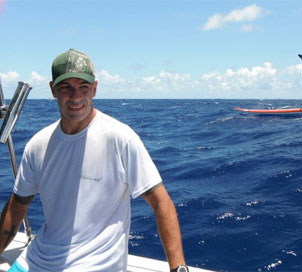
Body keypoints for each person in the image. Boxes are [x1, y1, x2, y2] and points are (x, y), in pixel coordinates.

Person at [0, 49, 188, 272]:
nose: (76, 96)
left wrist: (178, 268)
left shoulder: (121, 138)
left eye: (83, 87)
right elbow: (17, 206)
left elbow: (161, 202)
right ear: (52, 90)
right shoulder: (38, 144)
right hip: (34, 261)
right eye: (65, 87)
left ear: (95, 89)